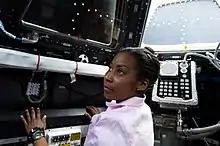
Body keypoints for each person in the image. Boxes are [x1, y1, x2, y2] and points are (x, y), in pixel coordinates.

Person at [21, 47, 160, 146]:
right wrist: (98, 121)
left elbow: (118, 129)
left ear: (142, 84)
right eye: (110, 68)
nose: (108, 77)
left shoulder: (117, 123)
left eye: (120, 72)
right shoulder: (143, 110)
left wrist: (37, 135)